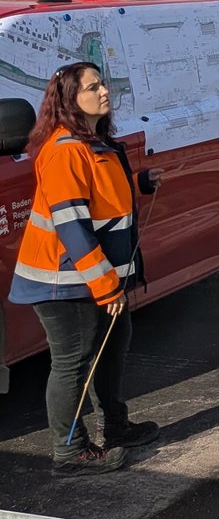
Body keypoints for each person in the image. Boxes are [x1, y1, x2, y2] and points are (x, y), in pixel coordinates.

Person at [9, 62, 161, 477]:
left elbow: (100, 198)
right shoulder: (65, 151)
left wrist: (140, 182)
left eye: (103, 84)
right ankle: (69, 451)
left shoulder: (92, 142)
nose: (105, 91)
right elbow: (73, 226)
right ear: (70, 100)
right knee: (74, 361)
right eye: (93, 87)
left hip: (95, 279)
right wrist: (106, 287)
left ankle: (115, 427)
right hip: (64, 282)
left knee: (112, 348)